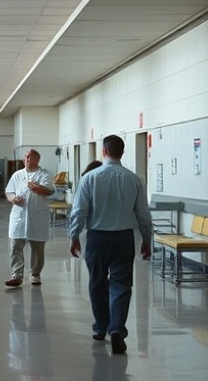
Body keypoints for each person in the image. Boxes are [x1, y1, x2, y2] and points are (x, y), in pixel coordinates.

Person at [68, 135, 152, 355]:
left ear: (103, 152)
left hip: (97, 237)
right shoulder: (134, 179)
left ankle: (100, 327)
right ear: (122, 153)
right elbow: (143, 214)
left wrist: (74, 235)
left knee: (97, 282)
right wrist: (147, 239)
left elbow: (79, 210)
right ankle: (116, 329)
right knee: (122, 285)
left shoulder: (90, 178)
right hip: (124, 238)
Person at [4, 149, 54, 287]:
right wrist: (14, 199)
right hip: (19, 216)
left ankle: (35, 274)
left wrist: (37, 188)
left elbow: (49, 190)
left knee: (37, 248)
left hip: (36, 216)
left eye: (29, 157)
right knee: (15, 246)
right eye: (25, 157)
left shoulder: (44, 174)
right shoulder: (18, 175)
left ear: (37, 160)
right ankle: (16, 275)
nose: (26, 159)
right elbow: (9, 191)